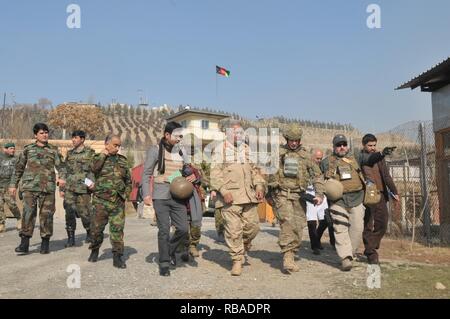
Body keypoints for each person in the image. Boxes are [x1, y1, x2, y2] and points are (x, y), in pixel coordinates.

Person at [210, 120, 266, 276]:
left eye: (240, 132)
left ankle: (244, 245)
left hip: (249, 196)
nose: (238, 135)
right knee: (234, 231)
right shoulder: (220, 150)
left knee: (253, 227)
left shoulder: (248, 150)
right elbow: (215, 174)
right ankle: (237, 260)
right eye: (234, 132)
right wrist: (223, 190)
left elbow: (255, 172)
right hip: (230, 198)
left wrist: (259, 186)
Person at [267, 125, 324, 273]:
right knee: (287, 223)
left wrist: (319, 194)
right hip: (282, 194)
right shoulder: (278, 154)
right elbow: (269, 175)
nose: (293, 143)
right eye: (291, 140)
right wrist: (268, 194)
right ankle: (287, 257)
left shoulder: (306, 156)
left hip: (300, 196)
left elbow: (317, 176)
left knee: (298, 227)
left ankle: (292, 252)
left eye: (296, 140)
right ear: (286, 139)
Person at [141, 122, 195, 277]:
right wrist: (146, 194)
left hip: (178, 196)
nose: (180, 139)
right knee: (164, 230)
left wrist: (190, 175)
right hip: (160, 196)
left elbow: (186, 170)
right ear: (167, 135)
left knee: (184, 229)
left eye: (181, 136)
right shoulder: (155, 150)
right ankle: (164, 263)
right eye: (177, 136)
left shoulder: (182, 151)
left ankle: (169, 251)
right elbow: (146, 174)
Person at [10, 123, 66, 254]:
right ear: (35, 135)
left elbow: (62, 167)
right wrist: (13, 184)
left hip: (47, 188)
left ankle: (45, 244)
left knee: (46, 216)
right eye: (42, 133)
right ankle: (24, 244)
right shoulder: (28, 149)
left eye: (46, 132)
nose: (45, 135)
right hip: (30, 188)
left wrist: (62, 177)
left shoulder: (53, 150)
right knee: (28, 214)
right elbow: (18, 168)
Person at [320, 134, 365, 271]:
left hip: (357, 198)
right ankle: (345, 258)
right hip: (338, 201)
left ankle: (351, 253)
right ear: (333, 147)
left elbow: (371, 158)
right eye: (338, 145)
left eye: (344, 144)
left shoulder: (356, 158)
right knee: (340, 228)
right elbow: (318, 178)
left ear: (347, 146)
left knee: (357, 228)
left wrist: (380, 154)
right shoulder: (327, 162)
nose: (341, 147)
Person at [88, 134, 131, 269]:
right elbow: (93, 169)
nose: (117, 148)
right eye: (115, 145)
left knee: (117, 231)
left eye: (119, 145)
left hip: (117, 202)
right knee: (96, 230)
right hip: (101, 201)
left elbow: (129, 181)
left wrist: (126, 194)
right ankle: (95, 249)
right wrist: (104, 154)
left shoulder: (123, 161)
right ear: (106, 144)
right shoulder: (97, 158)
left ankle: (117, 256)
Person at [359, 134, 399, 264]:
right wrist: (381, 153)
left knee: (383, 222)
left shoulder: (380, 158)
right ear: (363, 145)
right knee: (368, 224)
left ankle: (370, 246)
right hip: (367, 195)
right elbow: (369, 159)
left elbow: (386, 176)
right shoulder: (360, 157)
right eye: (370, 145)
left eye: (374, 145)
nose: (372, 148)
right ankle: (371, 253)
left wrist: (394, 191)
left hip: (381, 194)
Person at [60, 130, 95, 247]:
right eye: (72, 137)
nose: (73, 140)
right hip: (70, 188)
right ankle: (71, 238)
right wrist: (62, 187)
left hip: (83, 189)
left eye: (76, 137)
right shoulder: (69, 154)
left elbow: (93, 170)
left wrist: (92, 183)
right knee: (69, 212)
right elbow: (65, 170)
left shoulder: (90, 153)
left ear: (82, 139)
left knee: (85, 213)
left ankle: (89, 232)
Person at [306, 149, 334, 255]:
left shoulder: (321, 166)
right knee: (312, 221)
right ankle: (314, 246)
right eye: (317, 158)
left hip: (321, 195)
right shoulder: (306, 166)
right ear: (312, 157)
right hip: (310, 195)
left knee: (326, 219)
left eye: (320, 158)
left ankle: (317, 238)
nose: (319, 160)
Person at [0, 142, 21, 233]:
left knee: (11, 204)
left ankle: (19, 218)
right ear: (5, 149)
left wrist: (13, 185)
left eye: (13, 148)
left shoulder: (16, 159)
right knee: (0, 205)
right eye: (10, 148)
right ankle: (1, 224)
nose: (13, 150)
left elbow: (16, 173)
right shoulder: (1, 158)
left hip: (9, 185)